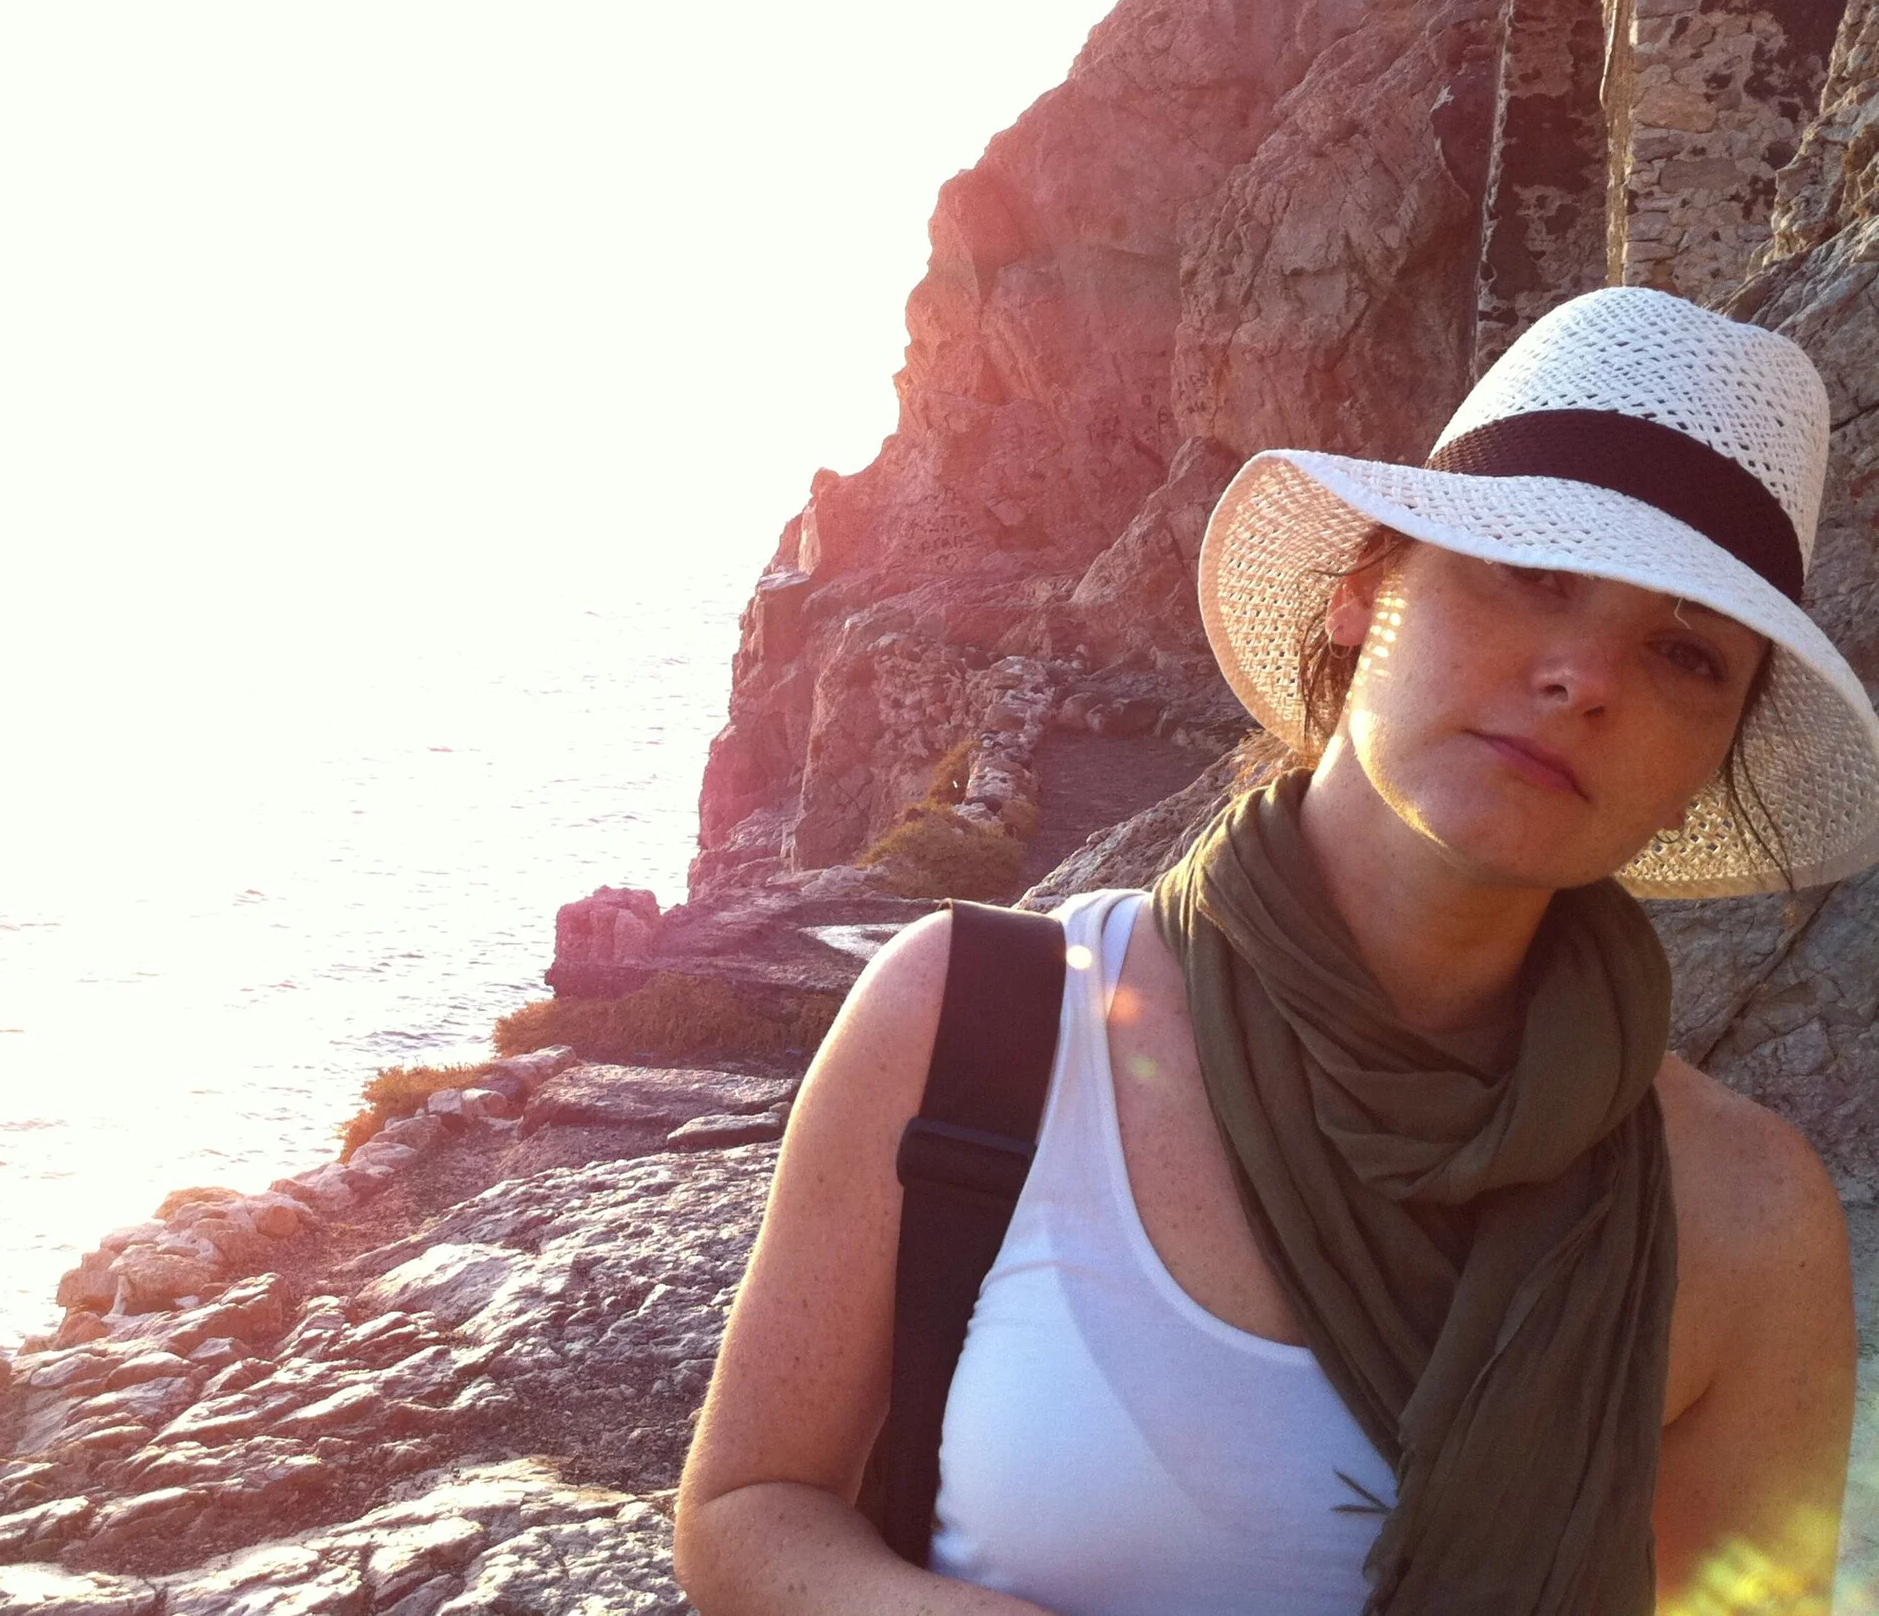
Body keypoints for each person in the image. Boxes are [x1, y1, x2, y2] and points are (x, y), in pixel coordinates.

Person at [673, 285, 1876, 1615]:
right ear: (1367, 589)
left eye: (1684, 654)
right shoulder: (975, 1023)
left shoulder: (1749, 1220)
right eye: (1535, 570)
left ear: (1709, 762)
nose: (1587, 675)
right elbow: (744, 1509)